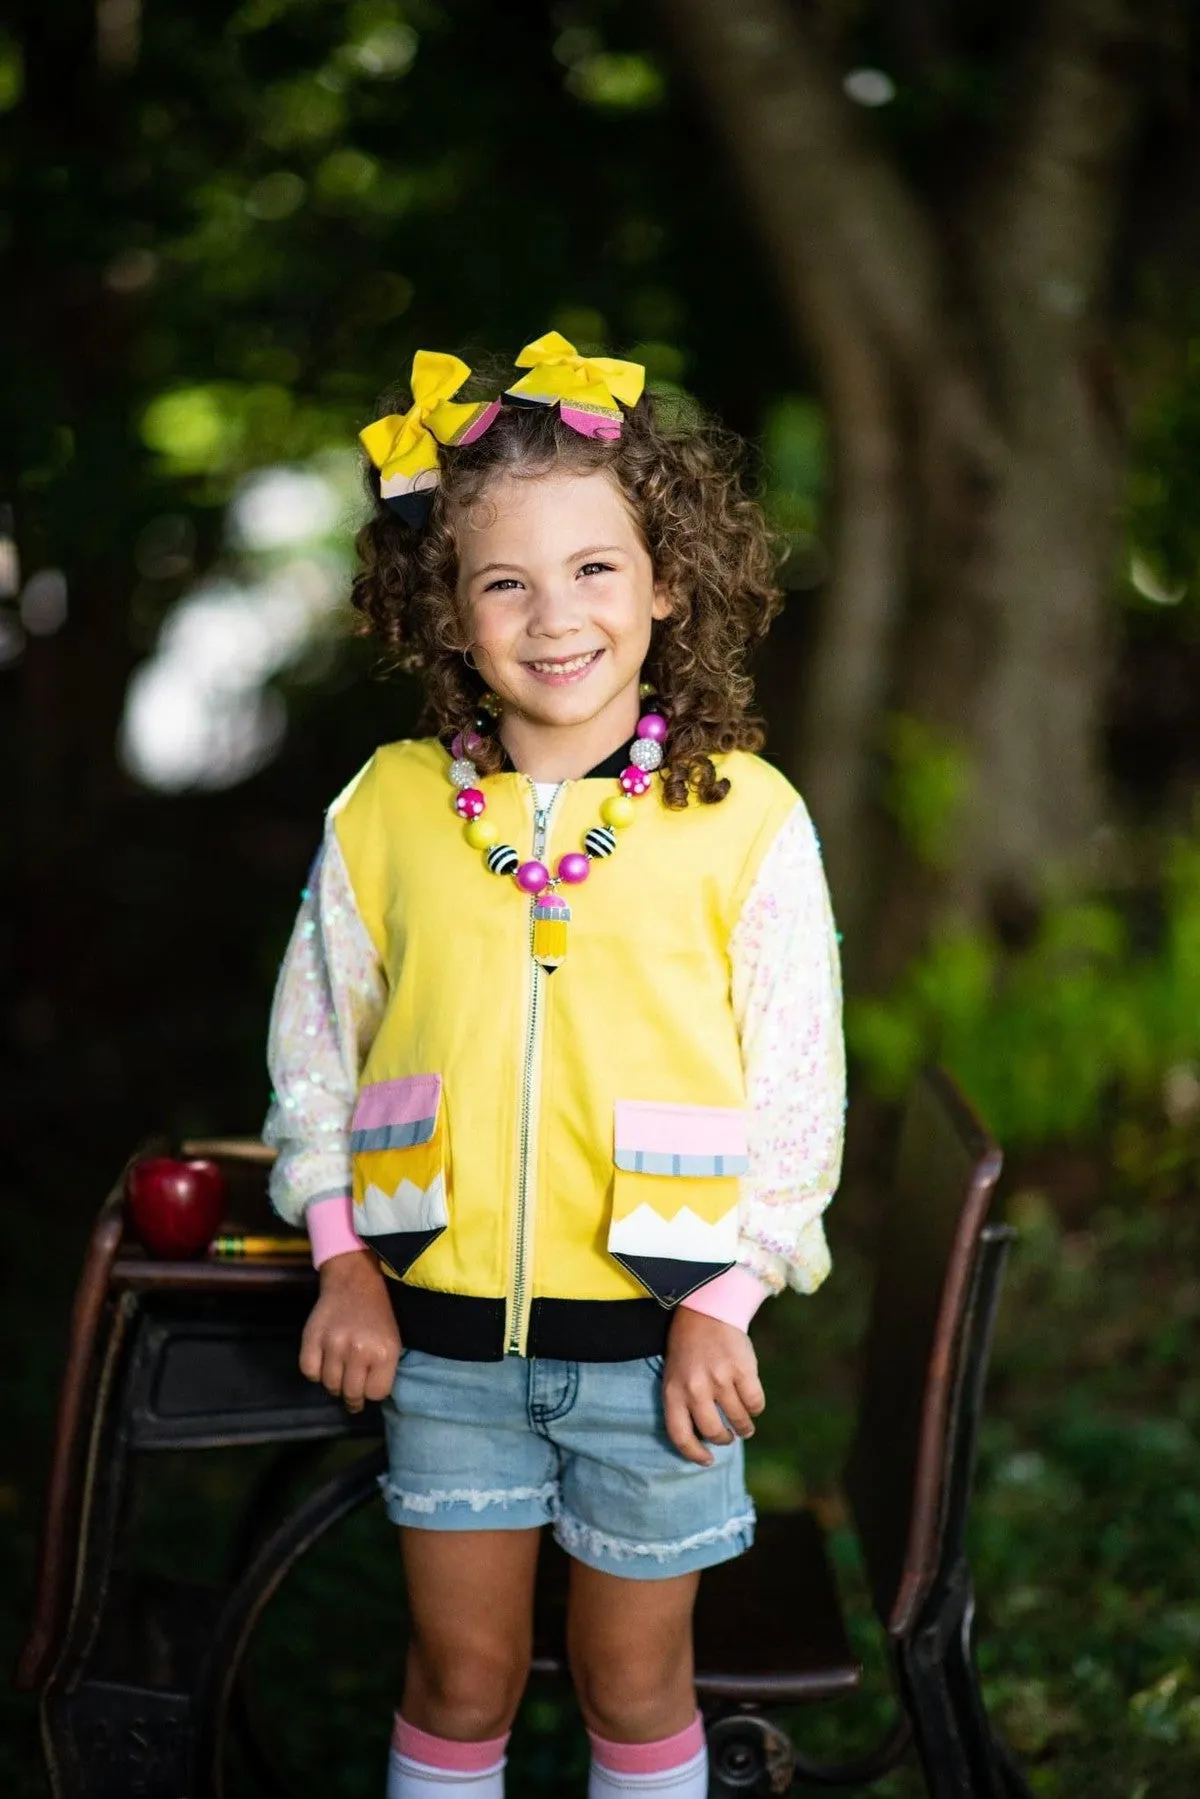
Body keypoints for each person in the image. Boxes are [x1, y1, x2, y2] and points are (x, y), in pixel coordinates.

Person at [264, 333, 845, 1799]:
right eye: (505, 580)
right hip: (443, 1340)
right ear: (450, 614)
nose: (556, 615)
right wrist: (339, 1257)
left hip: (658, 1352)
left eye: (596, 569)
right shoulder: (390, 811)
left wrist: (731, 1297)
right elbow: (317, 1055)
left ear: (665, 583)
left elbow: (795, 1094)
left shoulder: (743, 819)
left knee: (632, 1676)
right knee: (457, 1676)